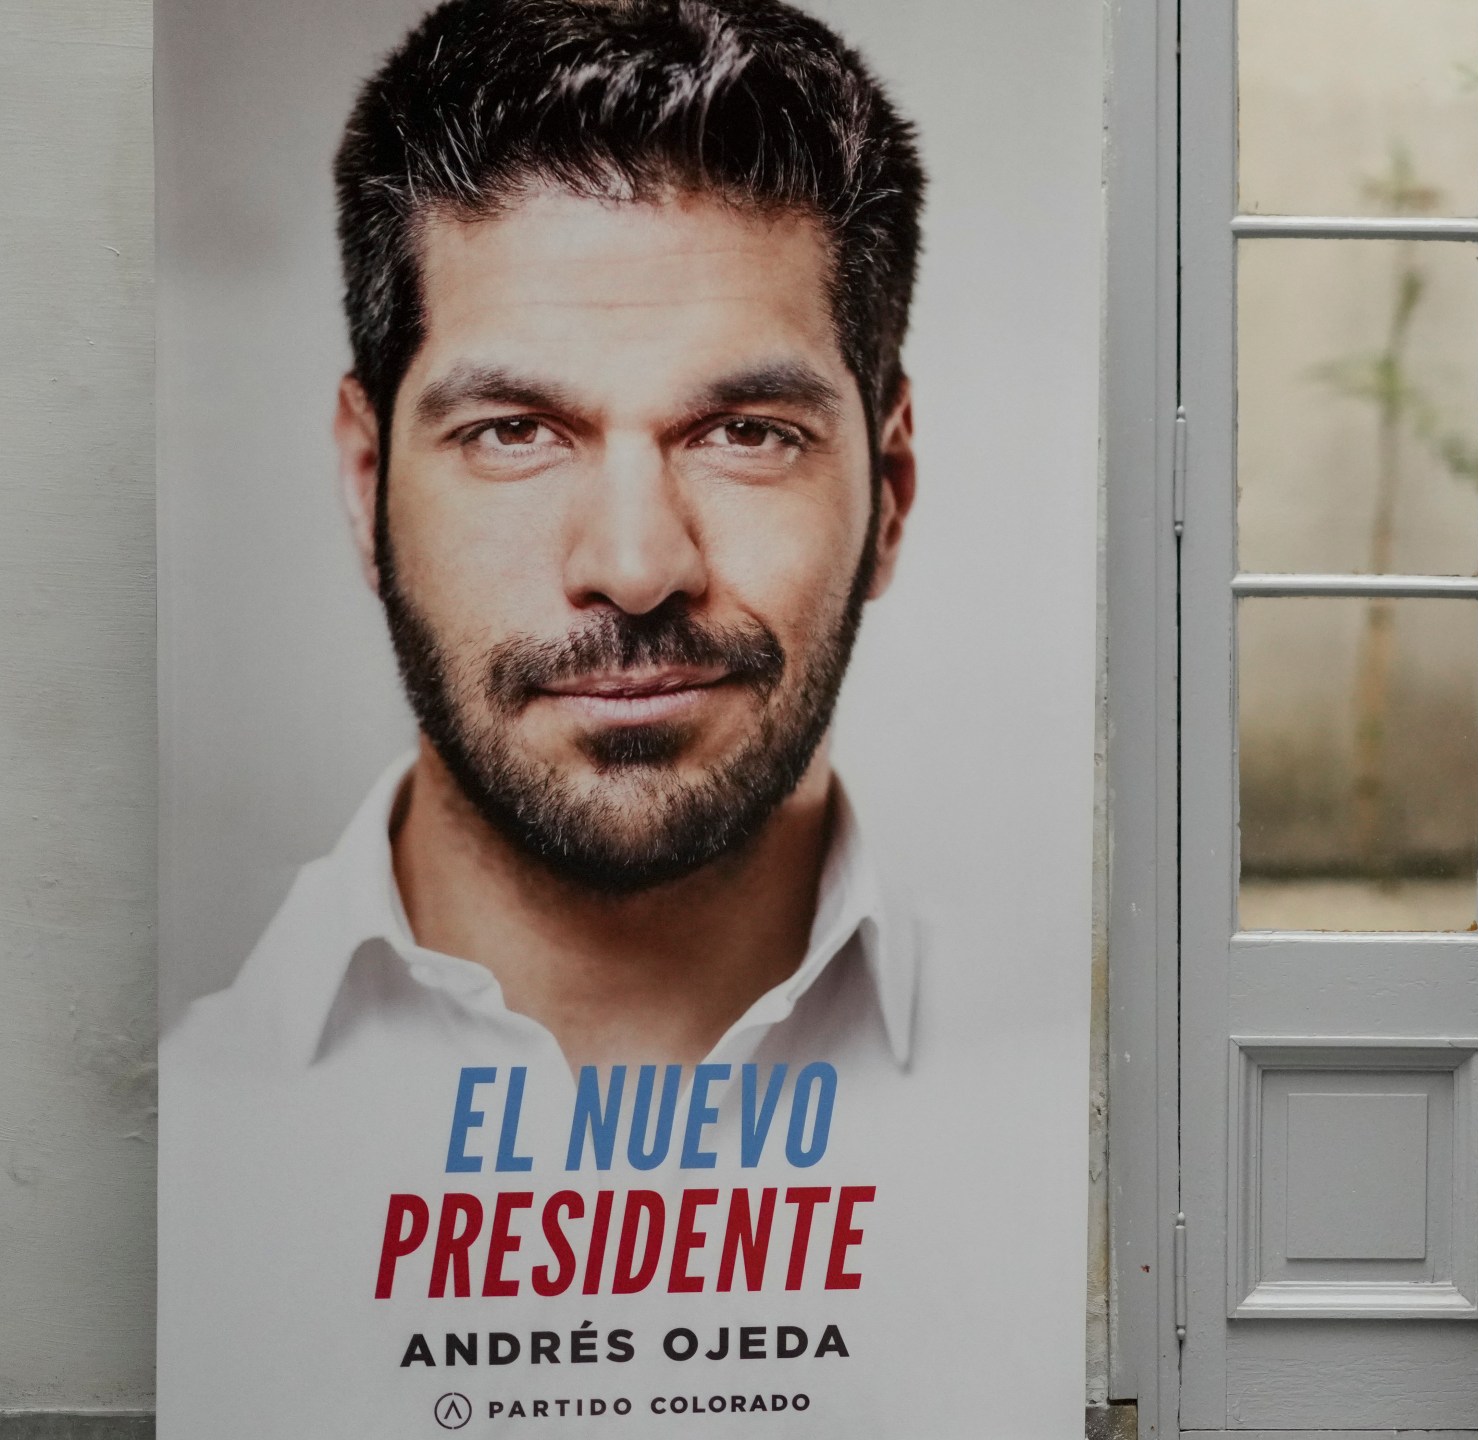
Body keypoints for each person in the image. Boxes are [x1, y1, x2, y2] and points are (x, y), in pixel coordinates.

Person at [159, 4, 930, 1427]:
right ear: (362, 479)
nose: (635, 566)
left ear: (890, 487)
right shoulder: (183, 1126)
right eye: (513, 430)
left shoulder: (1043, 1115)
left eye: (744, 433)